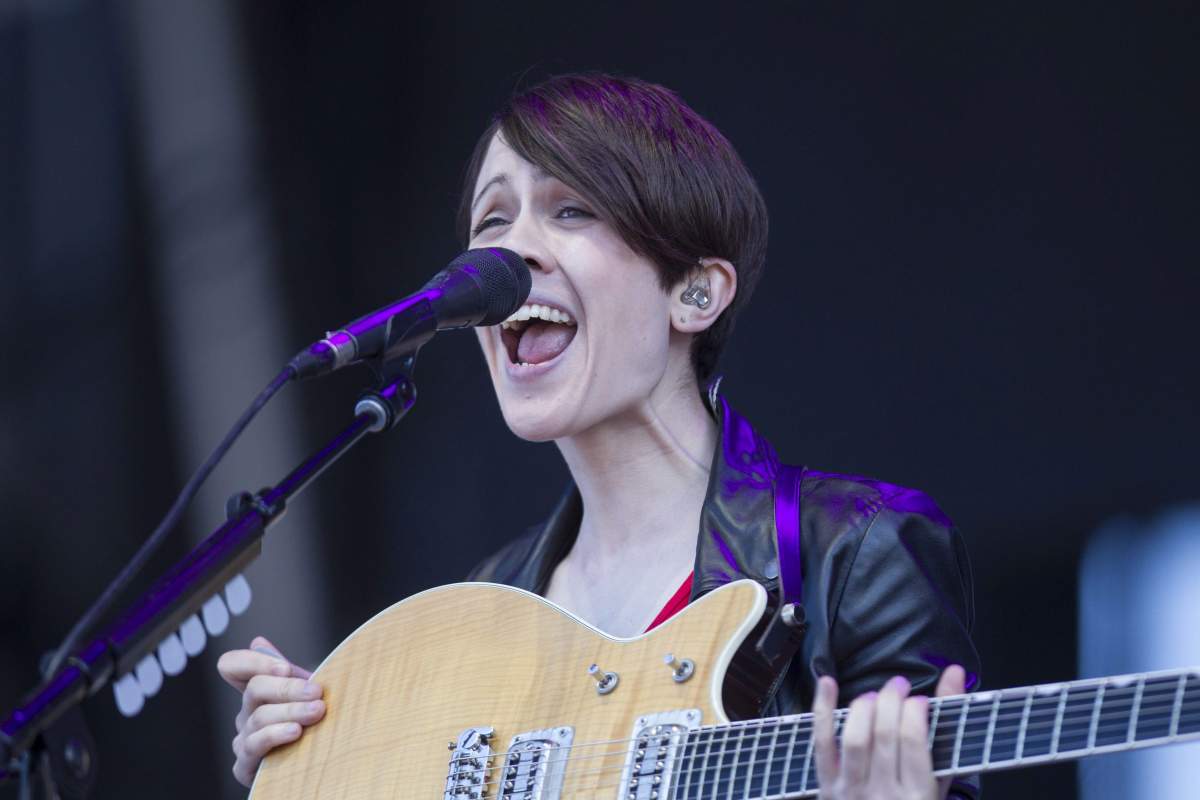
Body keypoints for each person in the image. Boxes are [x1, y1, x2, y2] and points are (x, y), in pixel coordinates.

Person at [217, 73, 981, 799]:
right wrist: (314, 767)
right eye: (492, 219)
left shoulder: (853, 553)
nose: (510, 252)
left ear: (695, 292)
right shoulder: (486, 604)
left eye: (571, 209)